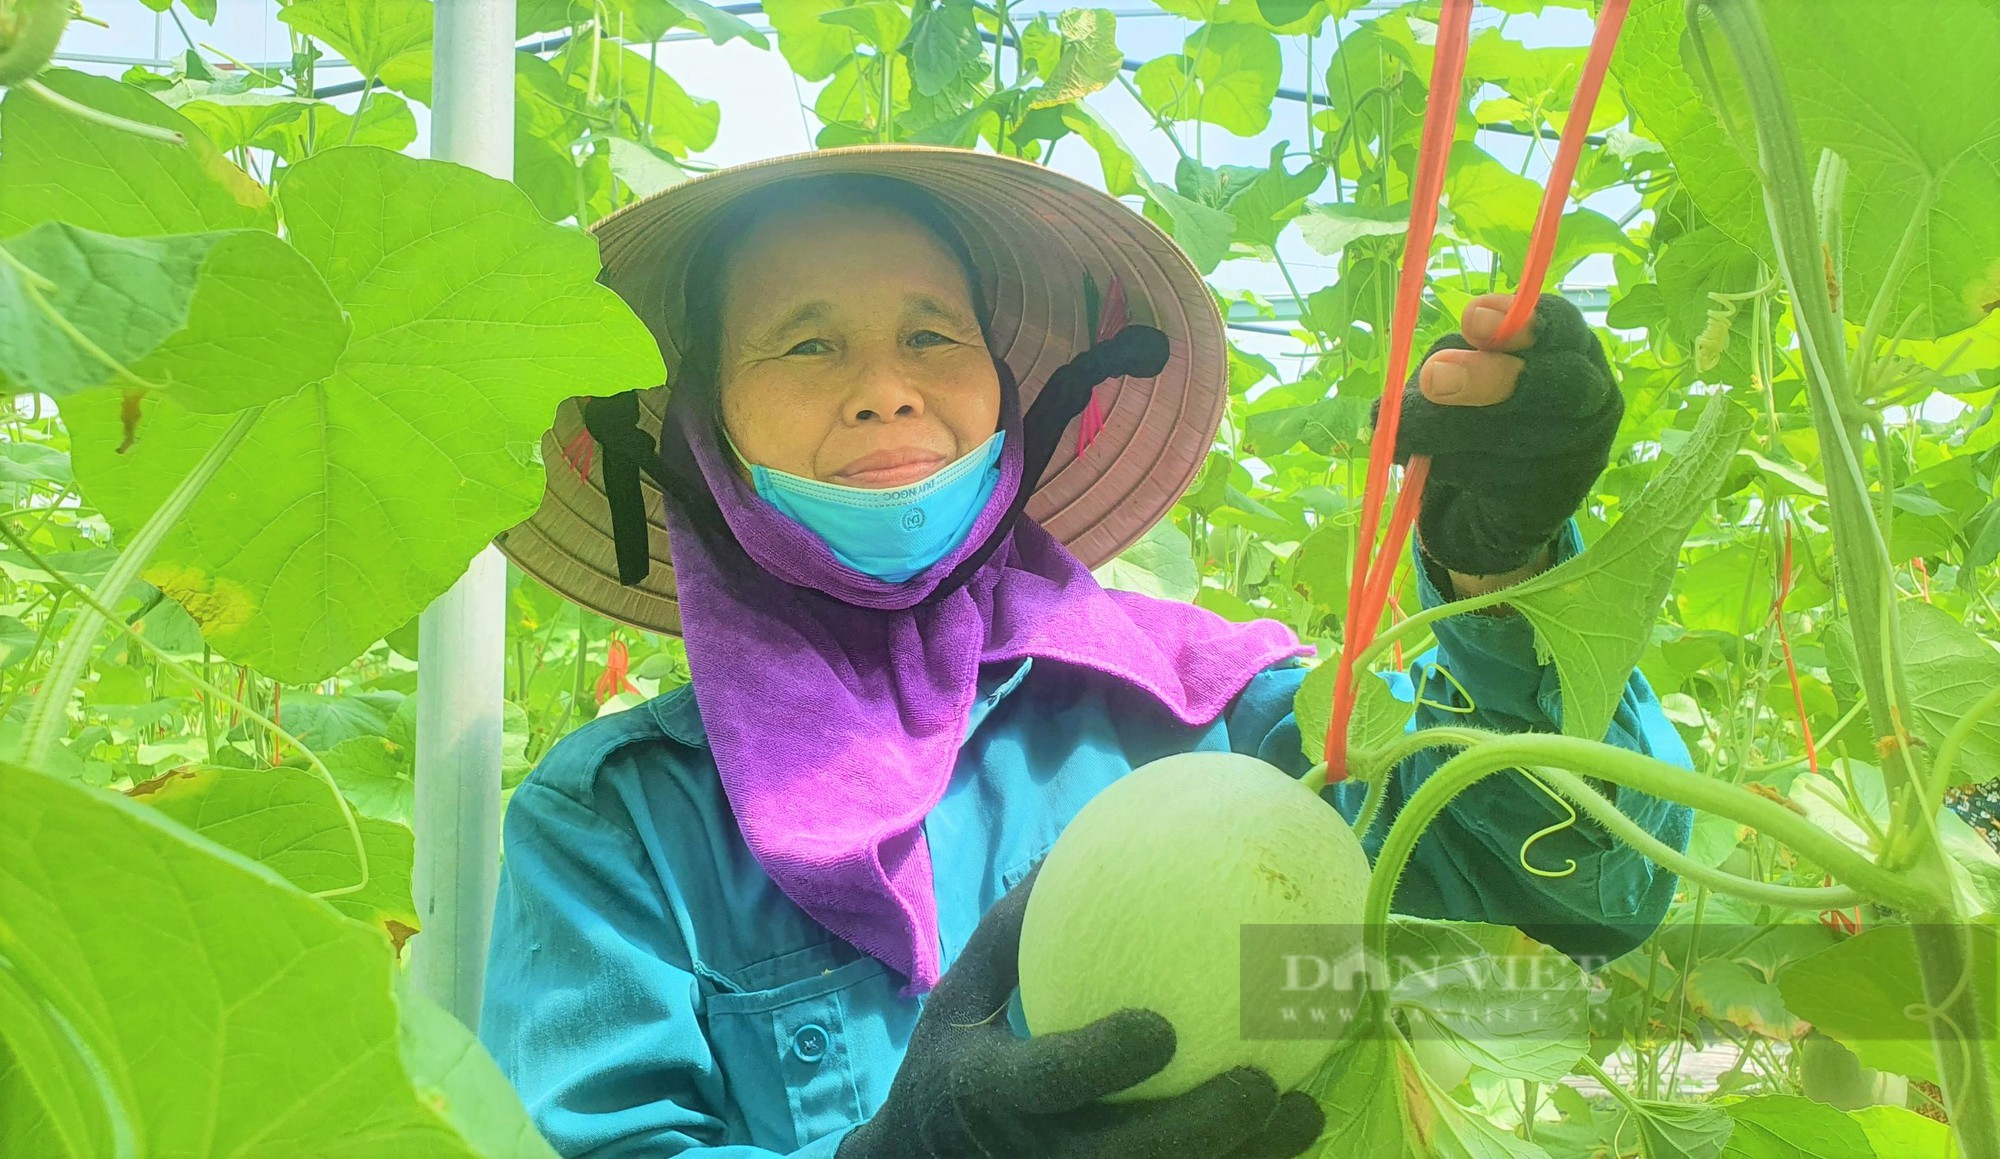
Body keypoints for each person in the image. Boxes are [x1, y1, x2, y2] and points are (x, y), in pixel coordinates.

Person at [477, 145, 1693, 1158]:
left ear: (1007, 391)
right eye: (805, 347)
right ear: (703, 431)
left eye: (931, 336)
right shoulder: (614, 825)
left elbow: (1593, 890)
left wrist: (1503, 583)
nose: (885, 391)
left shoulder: (1225, 713)